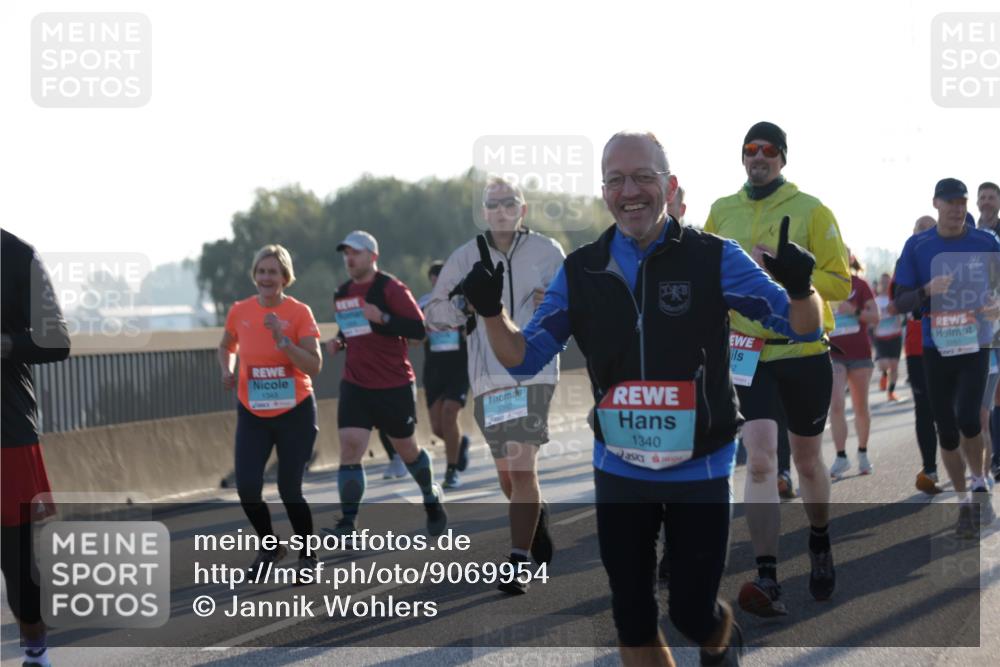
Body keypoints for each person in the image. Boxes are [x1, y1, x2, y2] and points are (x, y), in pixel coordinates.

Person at [463, 131, 824, 666]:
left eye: (643, 178)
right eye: (616, 180)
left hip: (699, 463)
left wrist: (801, 289)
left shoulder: (713, 257)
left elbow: (800, 327)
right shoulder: (580, 270)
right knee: (631, 617)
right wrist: (492, 313)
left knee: (691, 613)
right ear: (604, 192)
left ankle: (722, 638)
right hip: (619, 465)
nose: (630, 191)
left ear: (669, 185)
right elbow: (522, 356)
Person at [704, 121, 850, 616]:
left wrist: (799, 278)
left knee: (807, 462)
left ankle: (820, 539)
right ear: (742, 158)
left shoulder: (812, 209)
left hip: (803, 351)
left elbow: (842, 284)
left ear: (783, 158)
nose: (758, 157)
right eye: (750, 150)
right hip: (747, 354)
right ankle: (766, 577)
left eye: (768, 150)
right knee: (762, 459)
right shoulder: (721, 212)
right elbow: (705, 278)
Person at [425, 177, 564, 594]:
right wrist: (463, 303)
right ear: (484, 212)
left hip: (533, 372)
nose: (501, 209)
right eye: (492, 204)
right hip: (487, 379)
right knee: (509, 477)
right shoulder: (465, 256)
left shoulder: (548, 252)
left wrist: (553, 303)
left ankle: (518, 562)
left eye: (509, 203)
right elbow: (432, 312)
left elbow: (578, 304)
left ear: (522, 210)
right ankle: (533, 519)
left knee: (522, 466)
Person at [893, 179, 1000, 536]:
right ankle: (963, 501)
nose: (958, 208)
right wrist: (926, 290)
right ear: (936, 203)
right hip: (935, 347)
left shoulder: (986, 242)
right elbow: (900, 301)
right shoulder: (918, 246)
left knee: (970, 418)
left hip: (976, 344)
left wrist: (997, 305)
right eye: (950, 202)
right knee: (948, 432)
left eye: (962, 202)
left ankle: (979, 481)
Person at [325, 231, 447, 538]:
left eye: (355, 253)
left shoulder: (391, 289)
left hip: (393, 384)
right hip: (356, 383)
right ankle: (348, 522)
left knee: (406, 450)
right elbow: (352, 330)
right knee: (351, 446)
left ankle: (430, 497)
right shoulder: (342, 293)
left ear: (372, 256)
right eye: (346, 254)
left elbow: (419, 331)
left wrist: (384, 318)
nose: (349, 259)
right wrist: (339, 341)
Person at [218, 244, 323, 575]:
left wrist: (284, 341)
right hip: (253, 412)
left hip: (295, 412)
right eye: (261, 271)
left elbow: (314, 366)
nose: (266, 278)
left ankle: (307, 555)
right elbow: (226, 345)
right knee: (248, 488)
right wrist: (227, 369)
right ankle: (271, 547)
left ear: (285, 277)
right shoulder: (240, 311)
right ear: (254, 275)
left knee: (289, 489)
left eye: (273, 272)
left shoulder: (299, 313)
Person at [1, 230, 70, 667]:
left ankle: (36, 648)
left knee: (16, 562)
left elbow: (57, 340)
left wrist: (5, 345)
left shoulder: (16, 255)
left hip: (6, 433)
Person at [416, 261, 471, 489]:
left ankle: (451, 471)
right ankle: (460, 444)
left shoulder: (461, 300)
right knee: (438, 428)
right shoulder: (423, 303)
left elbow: (474, 325)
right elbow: (416, 335)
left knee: (450, 414)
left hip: (458, 366)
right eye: (434, 279)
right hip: (434, 369)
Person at [902, 216, 944, 494]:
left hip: (952, 343)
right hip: (918, 347)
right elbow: (900, 300)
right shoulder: (908, 261)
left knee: (951, 409)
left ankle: (963, 461)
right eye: (920, 231)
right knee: (924, 409)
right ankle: (930, 468)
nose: (924, 236)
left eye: (929, 231)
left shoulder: (949, 259)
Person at [828, 252, 879, 479]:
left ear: (849, 259)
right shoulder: (822, 286)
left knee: (861, 407)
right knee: (836, 403)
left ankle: (862, 452)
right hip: (833, 354)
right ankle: (841, 456)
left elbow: (875, 317)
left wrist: (854, 312)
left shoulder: (860, 285)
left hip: (859, 353)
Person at [975, 182, 1000, 481]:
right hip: (978, 322)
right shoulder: (968, 231)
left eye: (991, 196)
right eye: (982, 196)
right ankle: (990, 457)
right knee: (985, 396)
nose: (986, 200)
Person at [873, 272, 904, 402]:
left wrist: (899, 318)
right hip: (881, 336)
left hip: (895, 335)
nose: (885, 285)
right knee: (884, 365)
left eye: (888, 282)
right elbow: (871, 318)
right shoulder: (875, 300)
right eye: (883, 282)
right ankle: (884, 375)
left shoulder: (895, 299)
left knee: (894, 366)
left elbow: (902, 315)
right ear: (879, 284)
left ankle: (891, 392)